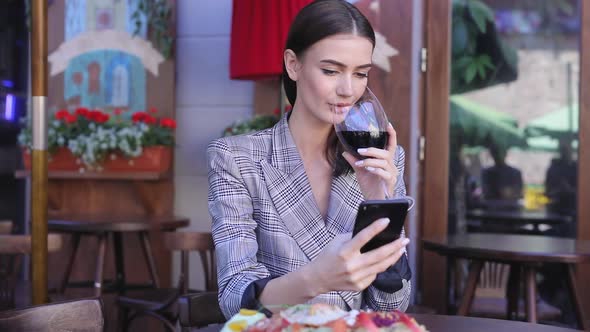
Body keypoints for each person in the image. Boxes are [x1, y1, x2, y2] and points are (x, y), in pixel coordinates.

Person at [207, 0, 411, 318]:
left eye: (360, 74)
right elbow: (234, 298)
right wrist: (315, 279)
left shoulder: (383, 159)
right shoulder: (236, 159)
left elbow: (391, 306)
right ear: (293, 65)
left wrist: (379, 202)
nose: (348, 89)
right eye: (330, 70)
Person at [480, 143, 523, 210]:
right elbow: (486, 193)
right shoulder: (487, 173)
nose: (498, 155)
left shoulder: (515, 172)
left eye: (499, 152)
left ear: (505, 153)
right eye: (495, 152)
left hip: (512, 213)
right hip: (491, 213)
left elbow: (518, 194)